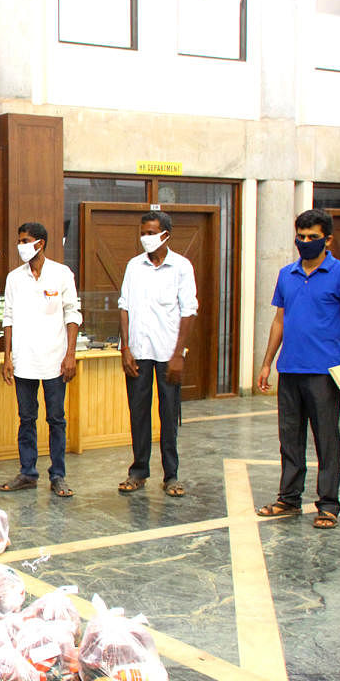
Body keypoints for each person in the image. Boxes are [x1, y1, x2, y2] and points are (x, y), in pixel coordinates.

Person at [255, 209, 340, 529]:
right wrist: (266, 363)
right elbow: (280, 320)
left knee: (326, 440)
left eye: (312, 237)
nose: (305, 242)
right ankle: (288, 499)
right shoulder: (286, 274)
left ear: (327, 239)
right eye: (300, 237)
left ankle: (328, 505)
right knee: (289, 438)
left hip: (324, 373)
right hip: (290, 369)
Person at [117, 211, 197, 497]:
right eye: (143, 232)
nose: (146, 238)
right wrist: (125, 348)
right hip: (138, 351)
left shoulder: (181, 267)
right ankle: (138, 471)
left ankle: (171, 474)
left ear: (166, 235)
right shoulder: (133, 266)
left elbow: (188, 312)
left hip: (168, 353)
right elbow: (124, 307)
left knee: (168, 414)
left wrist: (179, 354)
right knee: (138, 412)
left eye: (151, 233)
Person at [0, 223, 81, 498]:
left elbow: (72, 314)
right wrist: (7, 357)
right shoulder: (14, 278)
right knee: (26, 418)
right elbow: (7, 318)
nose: (21, 245)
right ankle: (28, 473)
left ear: (41, 243)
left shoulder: (61, 274)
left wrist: (70, 355)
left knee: (56, 419)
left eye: (26, 240)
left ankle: (58, 475)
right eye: (19, 240)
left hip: (56, 360)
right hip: (24, 361)